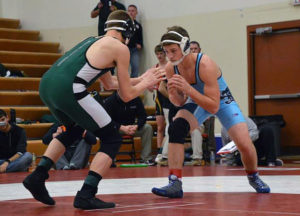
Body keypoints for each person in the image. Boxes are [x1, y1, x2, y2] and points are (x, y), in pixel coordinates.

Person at [22, 10, 165, 210]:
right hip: (69, 88)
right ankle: (86, 194)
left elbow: (109, 84)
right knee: (112, 138)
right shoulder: (120, 48)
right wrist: (146, 82)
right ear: (128, 32)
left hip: (47, 84)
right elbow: (126, 95)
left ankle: (37, 176)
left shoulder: (94, 41)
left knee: (72, 129)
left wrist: (141, 79)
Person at [151, 26, 270, 199]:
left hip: (221, 101)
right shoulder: (171, 68)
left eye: (173, 51)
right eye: (166, 51)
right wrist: (174, 91)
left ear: (185, 47)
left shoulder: (205, 64)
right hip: (195, 100)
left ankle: (253, 176)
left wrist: (187, 90)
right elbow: (178, 102)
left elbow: (213, 106)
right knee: (176, 128)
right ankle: (174, 182)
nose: (169, 56)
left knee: (244, 143)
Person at [103, 91, 153, 164]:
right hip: (116, 129)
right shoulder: (110, 101)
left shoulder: (136, 99)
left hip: (132, 128)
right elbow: (107, 121)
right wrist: (121, 127)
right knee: (106, 131)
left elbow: (142, 116)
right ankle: (110, 159)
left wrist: (137, 125)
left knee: (148, 128)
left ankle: (146, 158)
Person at [150, 45, 171, 164]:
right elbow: (148, 84)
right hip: (159, 97)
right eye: (157, 54)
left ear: (165, 54)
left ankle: (165, 151)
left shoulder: (169, 66)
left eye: (161, 54)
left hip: (168, 96)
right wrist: (152, 86)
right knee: (160, 127)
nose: (159, 56)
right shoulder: (155, 68)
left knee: (168, 124)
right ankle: (159, 151)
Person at [0, 109, 32, 173]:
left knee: (28, 156)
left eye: (3, 120)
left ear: (7, 118)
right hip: (1, 161)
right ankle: (12, 169)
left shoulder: (20, 131)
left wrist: (7, 162)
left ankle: (4, 170)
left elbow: (20, 152)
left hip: (14, 160)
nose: (1, 123)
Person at [127, 4, 143, 78]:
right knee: (123, 69)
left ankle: (133, 86)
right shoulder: (124, 24)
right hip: (125, 49)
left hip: (134, 50)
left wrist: (140, 45)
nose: (131, 13)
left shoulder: (138, 25)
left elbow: (140, 38)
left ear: (136, 13)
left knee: (135, 68)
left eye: (133, 11)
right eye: (129, 11)